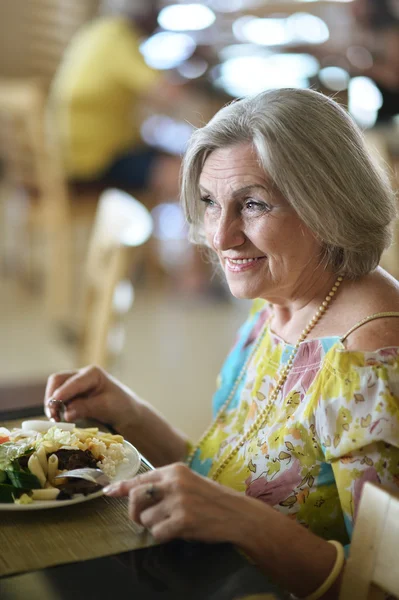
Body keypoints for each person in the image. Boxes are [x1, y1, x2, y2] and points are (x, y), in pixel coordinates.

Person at [45, 88, 399, 600]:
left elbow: (382, 585)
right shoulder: (283, 299)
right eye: (211, 203)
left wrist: (247, 524)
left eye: (253, 204)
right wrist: (132, 415)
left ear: (328, 202)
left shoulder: (372, 359)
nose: (220, 237)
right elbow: (233, 478)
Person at [47, 0, 181, 198]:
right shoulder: (119, 38)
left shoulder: (96, 31)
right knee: (184, 170)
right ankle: (198, 228)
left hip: (66, 154)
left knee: (166, 150)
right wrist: (193, 76)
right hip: (91, 162)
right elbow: (166, 93)